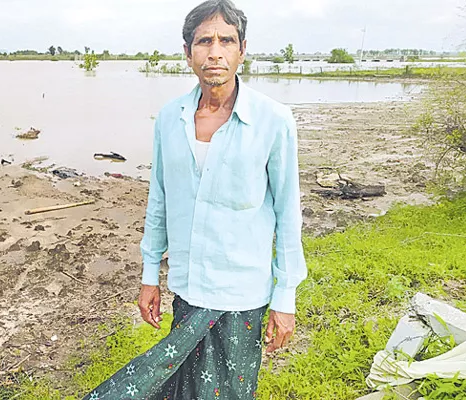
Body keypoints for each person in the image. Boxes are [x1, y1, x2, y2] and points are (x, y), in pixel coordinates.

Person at [83, 0, 307, 398]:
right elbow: (160, 202)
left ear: (242, 50)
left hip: (243, 294)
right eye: (204, 41)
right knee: (177, 388)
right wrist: (150, 276)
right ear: (188, 53)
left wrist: (284, 298)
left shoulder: (273, 121)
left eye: (226, 40)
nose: (215, 51)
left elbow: (288, 214)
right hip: (188, 288)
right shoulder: (171, 119)